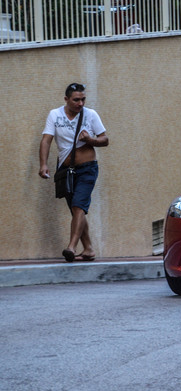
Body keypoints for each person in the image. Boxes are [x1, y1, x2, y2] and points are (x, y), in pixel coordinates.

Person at [39, 83, 109, 262]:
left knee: (79, 205)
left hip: (88, 168)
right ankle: (88, 249)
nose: (80, 103)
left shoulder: (90, 115)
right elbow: (46, 140)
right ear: (66, 99)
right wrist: (43, 164)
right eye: (76, 100)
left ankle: (71, 247)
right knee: (76, 209)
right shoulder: (55, 115)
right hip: (66, 170)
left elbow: (105, 139)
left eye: (83, 99)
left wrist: (90, 139)